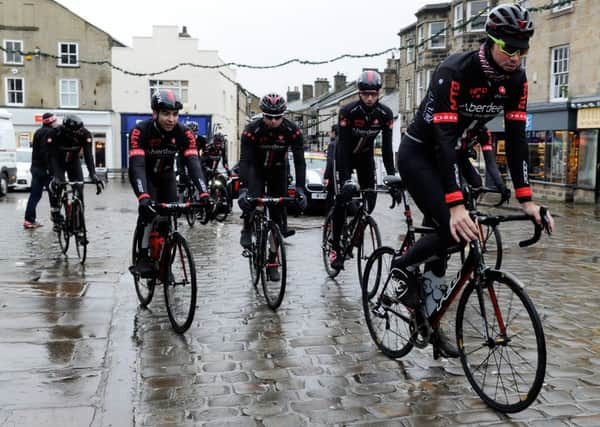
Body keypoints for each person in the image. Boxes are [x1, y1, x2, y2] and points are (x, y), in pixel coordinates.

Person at [393, 3, 554, 359]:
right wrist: (455, 205)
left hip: (454, 155)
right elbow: (444, 140)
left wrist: (527, 200)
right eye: (510, 48)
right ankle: (401, 270)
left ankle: (428, 316)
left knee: (454, 236)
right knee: (453, 226)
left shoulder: (516, 80)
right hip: (421, 154)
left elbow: (514, 140)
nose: (517, 57)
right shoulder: (453, 71)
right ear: (491, 40)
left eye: (523, 49)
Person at [129, 89, 209, 277]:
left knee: (170, 216)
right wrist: (143, 196)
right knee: (149, 213)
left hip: (166, 176)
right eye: (166, 113)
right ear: (155, 113)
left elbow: (193, 164)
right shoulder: (140, 131)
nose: (171, 119)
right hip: (145, 175)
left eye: (175, 114)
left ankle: (165, 263)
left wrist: (204, 193)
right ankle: (143, 256)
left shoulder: (184, 133)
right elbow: (137, 166)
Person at [329, 70, 396, 271]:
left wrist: (392, 177)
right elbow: (342, 145)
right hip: (345, 156)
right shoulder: (348, 111)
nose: (369, 98)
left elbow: (386, 148)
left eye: (373, 94)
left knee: (371, 201)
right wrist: (347, 178)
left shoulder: (385, 114)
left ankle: (354, 234)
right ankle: (335, 246)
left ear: (378, 94)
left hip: (365, 157)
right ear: (359, 93)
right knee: (343, 198)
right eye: (365, 94)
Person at [238, 93, 307, 281]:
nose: (274, 121)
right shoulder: (252, 130)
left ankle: (272, 259)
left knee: (277, 213)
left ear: (284, 115)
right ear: (262, 114)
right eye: (269, 117)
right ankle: (247, 225)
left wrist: (300, 189)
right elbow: (244, 160)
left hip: (278, 170)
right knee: (254, 201)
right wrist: (243, 189)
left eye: (278, 117)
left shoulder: (292, 131)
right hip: (256, 168)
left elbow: (300, 162)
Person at [48, 114, 103, 231]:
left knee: (79, 188)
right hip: (58, 160)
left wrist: (93, 175)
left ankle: (78, 221)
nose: (78, 133)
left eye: (79, 131)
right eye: (75, 132)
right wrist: (56, 176)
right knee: (59, 184)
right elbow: (50, 156)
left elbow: (88, 156)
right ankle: (56, 214)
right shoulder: (56, 133)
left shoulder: (85, 134)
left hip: (74, 161)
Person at [459, 126, 511, 206]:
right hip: (446, 156)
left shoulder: (484, 132)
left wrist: (501, 187)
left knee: (477, 183)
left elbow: (490, 162)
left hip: (462, 157)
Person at [23, 112, 58, 229]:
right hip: (45, 170)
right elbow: (45, 152)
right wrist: (50, 169)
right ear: (51, 122)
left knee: (35, 195)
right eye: (55, 121)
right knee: (54, 194)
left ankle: (29, 220)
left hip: (35, 168)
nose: (56, 123)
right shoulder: (50, 133)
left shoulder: (38, 132)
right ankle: (56, 219)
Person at [323, 124, 338, 211]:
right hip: (344, 174)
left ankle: (329, 219)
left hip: (334, 176)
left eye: (331, 132)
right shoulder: (345, 143)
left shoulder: (332, 144)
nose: (330, 134)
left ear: (334, 133)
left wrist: (326, 176)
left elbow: (330, 162)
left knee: (330, 197)